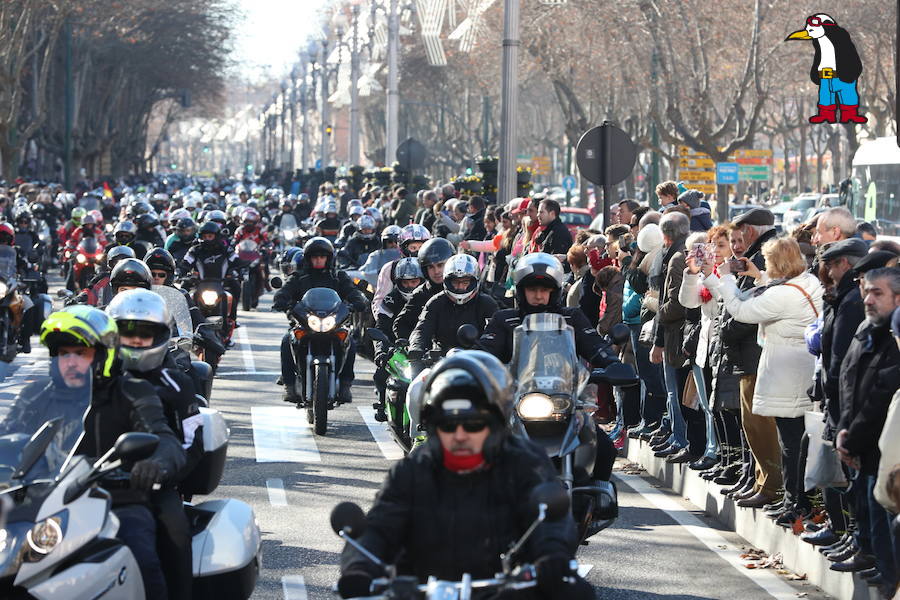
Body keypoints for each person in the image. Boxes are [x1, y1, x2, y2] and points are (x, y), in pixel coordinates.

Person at [337, 351, 592, 600]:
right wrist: (359, 566)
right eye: (448, 425)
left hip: (508, 591)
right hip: (423, 590)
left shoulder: (525, 464)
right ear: (435, 427)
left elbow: (551, 523)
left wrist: (552, 558)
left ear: (493, 424)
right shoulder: (412, 471)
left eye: (472, 424)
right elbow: (379, 528)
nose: (459, 435)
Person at [50, 306, 184, 599]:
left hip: (117, 502)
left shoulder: (133, 392)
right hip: (46, 507)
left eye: (80, 353)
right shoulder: (39, 395)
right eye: (63, 354)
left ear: (102, 356)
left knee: (140, 557)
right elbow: (10, 436)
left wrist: (155, 463)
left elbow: (163, 437)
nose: (70, 362)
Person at [704, 237, 823, 525]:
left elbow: (742, 310)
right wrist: (758, 276)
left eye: (768, 262)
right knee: (797, 440)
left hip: (786, 372)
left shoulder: (783, 296)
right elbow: (773, 290)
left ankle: (796, 503)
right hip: (802, 367)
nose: (764, 266)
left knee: (790, 441)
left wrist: (723, 277)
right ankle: (797, 499)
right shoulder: (808, 283)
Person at [478, 252, 620, 482]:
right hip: (517, 403)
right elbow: (484, 353)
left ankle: (597, 500)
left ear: (555, 292)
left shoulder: (571, 318)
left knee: (603, 447)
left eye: (544, 290)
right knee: (484, 446)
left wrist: (612, 364)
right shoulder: (505, 320)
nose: (538, 296)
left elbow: (595, 346)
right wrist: (472, 364)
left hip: (566, 403)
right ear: (521, 291)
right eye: (532, 289)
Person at [106, 289, 201, 600]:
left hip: (153, 487)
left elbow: (190, 444)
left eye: (145, 334)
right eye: (127, 332)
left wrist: (160, 469)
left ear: (161, 336)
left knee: (174, 532)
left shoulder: (177, 384)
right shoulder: (96, 377)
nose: (135, 341)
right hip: (83, 483)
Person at [833, 267, 900, 591]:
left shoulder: (893, 340)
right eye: (867, 291)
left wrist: (853, 436)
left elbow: (882, 395)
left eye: (878, 293)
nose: (868, 299)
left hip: (882, 444)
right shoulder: (868, 328)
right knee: (872, 511)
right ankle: (884, 570)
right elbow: (849, 380)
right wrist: (845, 429)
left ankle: (890, 577)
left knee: (886, 514)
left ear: (898, 298)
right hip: (860, 439)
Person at [716, 207, 782, 508]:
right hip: (749, 355)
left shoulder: (759, 257)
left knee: (761, 427)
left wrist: (726, 330)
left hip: (755, 354)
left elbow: (750, 307)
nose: (735, 240)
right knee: (752, 426)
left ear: (751, 231)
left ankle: (770, 486)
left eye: (740, 233)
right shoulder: (755, 254)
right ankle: (759, 480)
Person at [273, 236, 366, 404]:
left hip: (333, 323)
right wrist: (281, 300)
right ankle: (289, 384)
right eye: (314, 257)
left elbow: (351, 291)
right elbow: (284, 292)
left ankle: (345, 384)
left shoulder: (338, 277)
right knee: (287, 340)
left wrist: (358, 301)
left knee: (349, 341)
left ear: (328, 258)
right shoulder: (299, 277)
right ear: (308, 259)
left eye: (322, 257)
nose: (318, 260)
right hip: (306, 323)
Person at [648, 211, 697, 463]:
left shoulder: (678, 258)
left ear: (666, 235)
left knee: (676, 392)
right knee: (675, 392)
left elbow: (676, 303)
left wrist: (657, 309)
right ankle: (680, 438)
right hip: (674, 334)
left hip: (676, 335)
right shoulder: (677, 254)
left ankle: (682, 439)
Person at [408, 254, 498, 367]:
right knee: (415, 384)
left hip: (478, 364)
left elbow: (495, 335)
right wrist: (416, 348)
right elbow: (422, 329)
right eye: (455, 282)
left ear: (475, 281)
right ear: (447, 282)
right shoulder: (435, 302)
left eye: (465, 282)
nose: (460, 287)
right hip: (440, 363)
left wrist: (485, 350)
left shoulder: (487, 304)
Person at [372, 257, 423, 421]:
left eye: (414, 281)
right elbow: (381, 326)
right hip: (398, 348)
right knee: (380, 374)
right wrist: (382, 350)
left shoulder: (430, 296)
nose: (410, 286)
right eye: (405, 282)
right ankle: (381, 404)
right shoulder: (390, 299)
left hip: (425, 348)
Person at [393, 237, 455, 341]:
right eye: (431, 267)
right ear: (424, 269)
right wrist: (417, 345)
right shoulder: (420, 293)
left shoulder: (469, 289)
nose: (436, 271)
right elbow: (400, 325)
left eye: (440, 265)